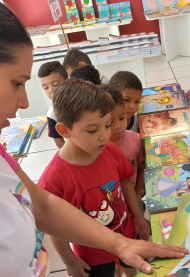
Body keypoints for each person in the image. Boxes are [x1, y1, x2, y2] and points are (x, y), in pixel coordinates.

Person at [0, 1, 188, 276]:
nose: (24, 102)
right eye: (16, 83)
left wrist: (120, 243)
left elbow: (44, 206)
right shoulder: (55, 174)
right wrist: (74, 260)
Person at [38, 79, 151, 277]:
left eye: (107, 125)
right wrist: (70, 261)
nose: (104, 136)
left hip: (126, 234)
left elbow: (125, 182)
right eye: (92, 130)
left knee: (134, 269)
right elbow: (55, 228)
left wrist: (139, 216)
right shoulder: (53, 179)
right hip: (93, 255)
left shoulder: (111, 151)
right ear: (64, 130)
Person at [101, 85, 146, 201]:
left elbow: (141, 168)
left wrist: (137, 194)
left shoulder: (135, 139)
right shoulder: (97, 149)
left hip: (134, 195)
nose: (117, 126)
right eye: (109, 123)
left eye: (121, 118)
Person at [38, 61, 68, 148]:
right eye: (45, 87)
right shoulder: (52, 114)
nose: (51, 90)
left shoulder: (83, 100)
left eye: (55, 84)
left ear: (67, 81)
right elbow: (59, 142)